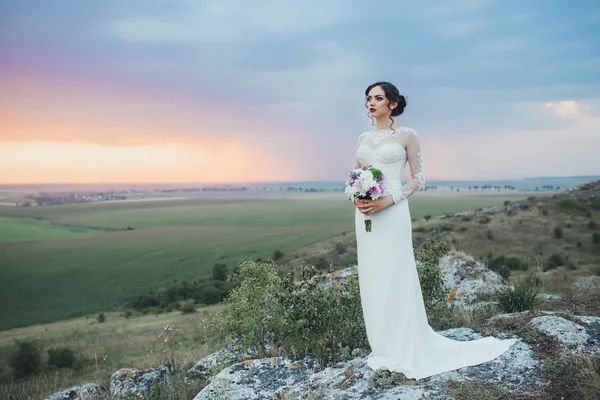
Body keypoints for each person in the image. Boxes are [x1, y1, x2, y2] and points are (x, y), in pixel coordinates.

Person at [352, 81, 516, 380]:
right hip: (365, 215)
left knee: (396, 272)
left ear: (393, 103)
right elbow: (354, 175)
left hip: (393, 210)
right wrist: (356, 196)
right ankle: (383, 346)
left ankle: (406, 345)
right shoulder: (363, 137)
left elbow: (418, 179)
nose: (370, 104)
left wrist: (388, 199)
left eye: (377, 98)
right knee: (373, 275)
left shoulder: (407, 136)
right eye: (368, 99)